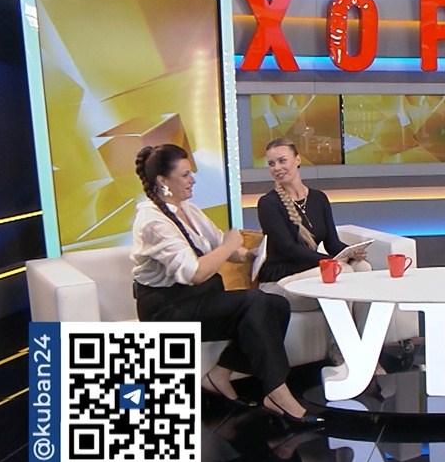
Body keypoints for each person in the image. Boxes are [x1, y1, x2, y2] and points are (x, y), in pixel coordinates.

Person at [131, 143, 320, 424]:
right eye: (185, 175)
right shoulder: (152, 221)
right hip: (168, 309)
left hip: (201, 297)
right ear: (163, 181)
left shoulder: (189, 210)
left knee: (277, 305)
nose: (193, 180)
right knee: (255, 302)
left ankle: (219, 374)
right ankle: (277, 391)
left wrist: (249, 254)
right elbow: (194, 273)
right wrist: (228, 246)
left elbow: (224, 246)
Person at [256, 137, 370, 375]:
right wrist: (332, 263)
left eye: (282, 160)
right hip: (280, 282)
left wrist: (351, 252)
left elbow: (332, 243)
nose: (277, 168)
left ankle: (364, 347)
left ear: (297, 160)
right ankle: (342, 350)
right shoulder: (268, 203)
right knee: (343, 272)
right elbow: (288, 249)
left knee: (362, 269)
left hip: (309, 274)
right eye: (271, 164)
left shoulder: (318, 198)